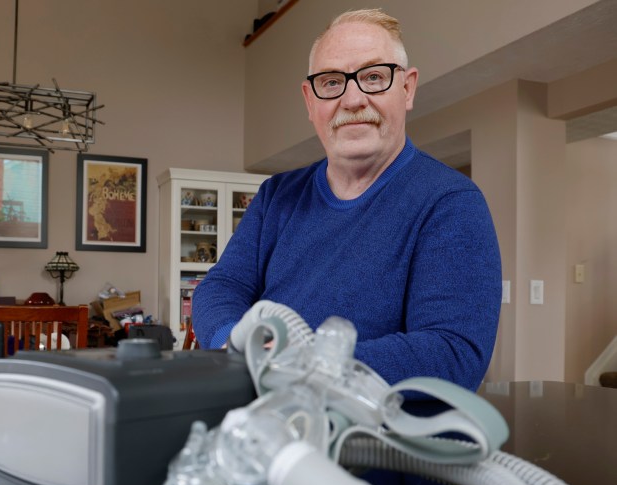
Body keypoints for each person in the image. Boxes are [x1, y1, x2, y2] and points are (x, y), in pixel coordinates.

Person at [191, 8, 501, 392]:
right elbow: (220, 288)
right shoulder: (276, 196)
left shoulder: (450, 203)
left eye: (373, 77)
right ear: (310, 100)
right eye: (332, 81)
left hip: (369, 443)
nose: (353, 99)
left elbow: (453, 352)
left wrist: (298, 366)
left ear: (407, 89)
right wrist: (236, 344)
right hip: (264, 427)